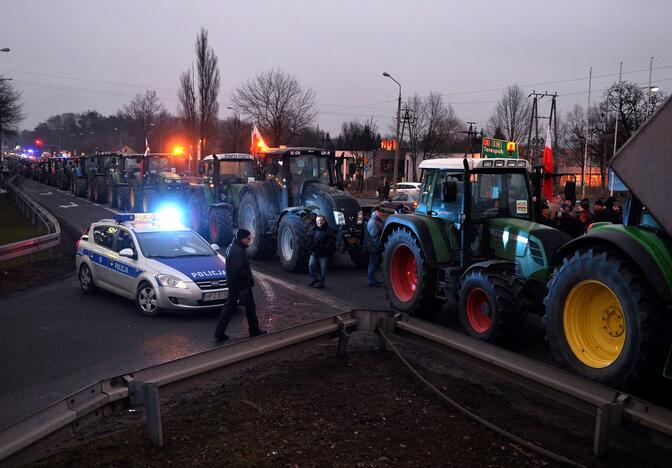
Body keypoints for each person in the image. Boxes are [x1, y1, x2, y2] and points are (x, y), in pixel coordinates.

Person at [214, 228, 266, 342]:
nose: (249, 240)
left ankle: (219, 332)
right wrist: (247, 279)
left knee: (230, 308)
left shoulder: (233, 247)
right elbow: (239, 269)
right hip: (241, 285)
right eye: (248, 238)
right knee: (249, 308)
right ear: (242, 238)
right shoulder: (237, 251)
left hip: (234, 284)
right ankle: (254, 330)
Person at [308, 214, 336, 288]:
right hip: (314, 251)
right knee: (311, 265)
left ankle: (321, 282)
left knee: (323, 268)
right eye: (318, 220)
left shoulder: (329, 230)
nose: (319, 222)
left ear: (324, 221)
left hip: (323, 252)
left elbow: (332, 240)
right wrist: (310, 248)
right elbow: (310, 239)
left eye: (320, 220)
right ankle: (314, 279)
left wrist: (326, 248)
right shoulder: (313, 229)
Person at [366, 208, 385, 287]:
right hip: (374, 246)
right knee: (372, 263)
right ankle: (371, 281)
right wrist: (380, 245)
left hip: (375, 245)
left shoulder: (376, 221)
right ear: (374, 213)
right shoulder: (373, 222)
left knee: (374, 263)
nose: (380, 213)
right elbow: (374, 236)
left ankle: (373, 279)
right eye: (379, 212)